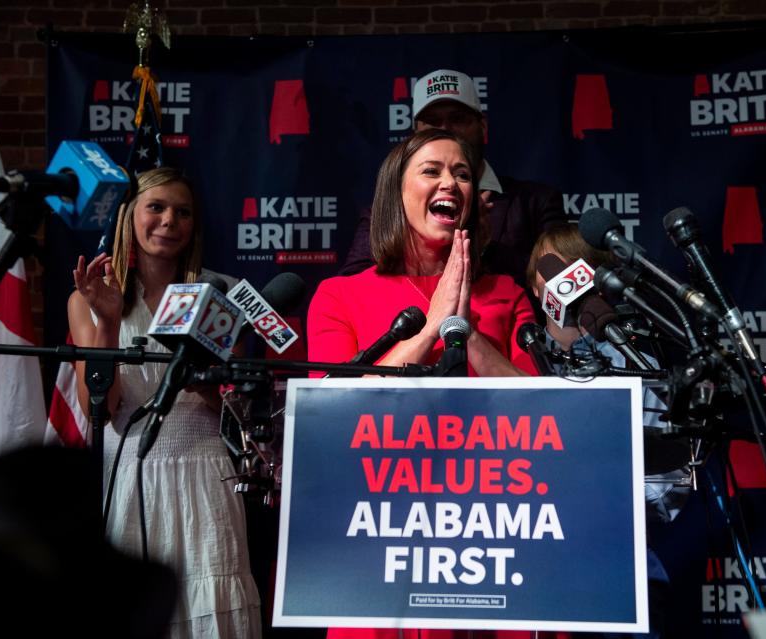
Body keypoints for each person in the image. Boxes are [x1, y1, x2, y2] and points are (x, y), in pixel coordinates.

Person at [68, 167, 262, 639]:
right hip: (129, 475)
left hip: (205, 473)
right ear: (130, 217)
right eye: (156, 207)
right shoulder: (86, 299)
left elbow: (241, 411)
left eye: (183, 212)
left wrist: (206, 383)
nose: (169, 220)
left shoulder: (221, 293)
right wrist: (109, 319)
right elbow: (100, 407)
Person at [526, 224, 689, 639]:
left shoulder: (631, 356)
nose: (556, 278)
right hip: (531, 574)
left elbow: (669, 481)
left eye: (568, 266)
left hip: (618, 573)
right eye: (546, 267)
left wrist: (599, 513)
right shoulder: (521, 352)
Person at [309, 128, 537, 378]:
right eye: (431, 171)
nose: (450, 183)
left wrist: (464, 332)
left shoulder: (507, 294)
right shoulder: (338, 297)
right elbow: (331, 404)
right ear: (396, 191)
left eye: (463, 175)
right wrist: (431, 327)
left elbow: (537, 403)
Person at [341, 68, 567, 288]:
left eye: (458, 119)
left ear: (482, 126)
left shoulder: (537, 202)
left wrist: (483, 247)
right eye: (432, 121)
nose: (446, 129)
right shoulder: (386, 210)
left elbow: (561, 287)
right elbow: (352, 286)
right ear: (415, 133)